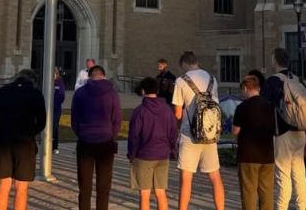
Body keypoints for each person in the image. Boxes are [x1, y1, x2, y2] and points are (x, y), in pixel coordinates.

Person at [172, 51, 225, 210]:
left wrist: (176, 129)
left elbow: (178, 113)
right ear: (196, 61)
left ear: (184, 63)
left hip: (189, 135)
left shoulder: (181, 81)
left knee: (186, 178)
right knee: (215, 176)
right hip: (210, 133)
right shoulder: (212, 80)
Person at [0, 69, 46, 210]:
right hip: (25, 143)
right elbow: (41, 122)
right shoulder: (35, 94)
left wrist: (3, 129)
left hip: (4, 141)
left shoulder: (3, 91)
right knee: (21, 187)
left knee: (3, 185)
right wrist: (31, 132)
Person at [72, 65, 122, 210]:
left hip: (85, 141)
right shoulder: (112, 94)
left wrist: (82, 133)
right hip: (105, 142)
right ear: (104, 76)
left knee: (84, 186)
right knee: (104, 186)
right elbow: (117, 119)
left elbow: (74, 119)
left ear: (89, 77)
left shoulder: (80, 93)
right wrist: (111, 134)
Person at [261, 48, 306, 210]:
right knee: (299, 173)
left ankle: (281, 207)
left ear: (275, 61)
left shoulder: (272, 81)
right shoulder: (297, 79)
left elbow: (264, 107)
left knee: (283, 174)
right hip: (300, 130)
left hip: (282, 132)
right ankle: (302, 206)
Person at [128, 77, 178, 210]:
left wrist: (132, 154)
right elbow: (173, 132)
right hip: (162, 154)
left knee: (144, 194)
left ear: (143, 91)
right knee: (161, 192)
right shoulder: (167, 110)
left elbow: (134, 136)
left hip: (144, 155)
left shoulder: (139, 111)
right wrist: (173, 148)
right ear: (157, 90)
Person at [232, 74, 275, 210]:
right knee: (267, 192)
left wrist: (239, 141)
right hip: (267, 155)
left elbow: (235, 131)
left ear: (245, 88)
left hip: (248, 156)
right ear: (259, 88)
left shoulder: (242, 107)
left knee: (248, 192)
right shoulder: (269, 106)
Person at [53, 66, 66, 154]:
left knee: (54, 127)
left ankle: (55, 146)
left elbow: (61, 96)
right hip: (47, 108)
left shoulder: (59, 83)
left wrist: (55, 103)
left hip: (56, 109)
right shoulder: (46, 82)